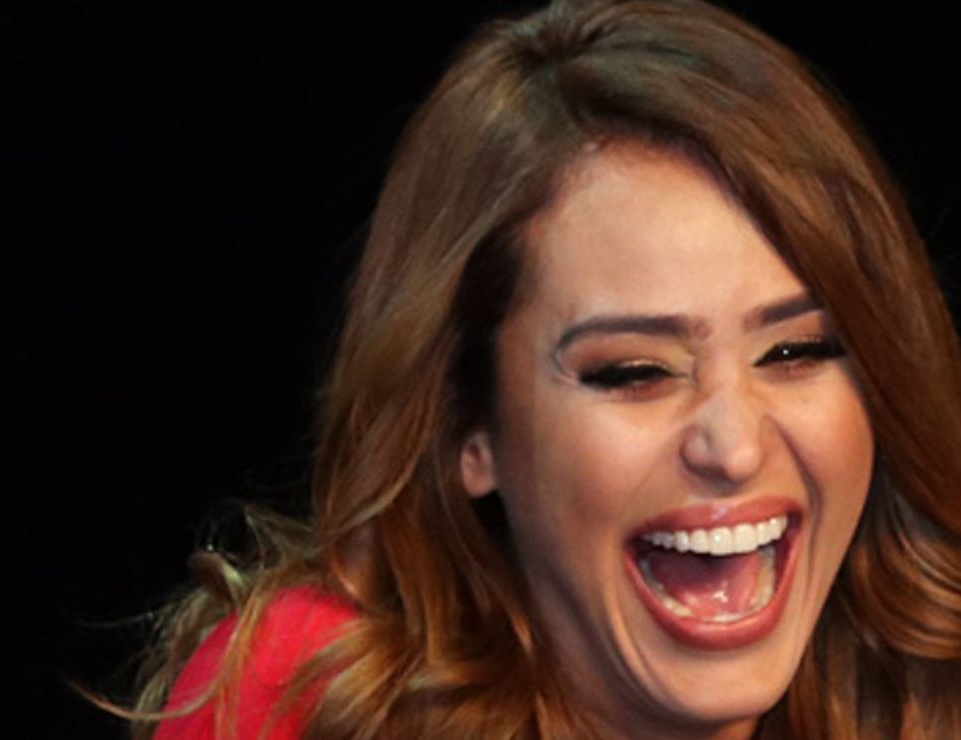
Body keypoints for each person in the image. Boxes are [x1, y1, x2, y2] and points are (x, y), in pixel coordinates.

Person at [106, 0, 961, 736]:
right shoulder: (314, 694)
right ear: (466, 425)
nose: (734, 447)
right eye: (635, 371)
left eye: (795, 352)